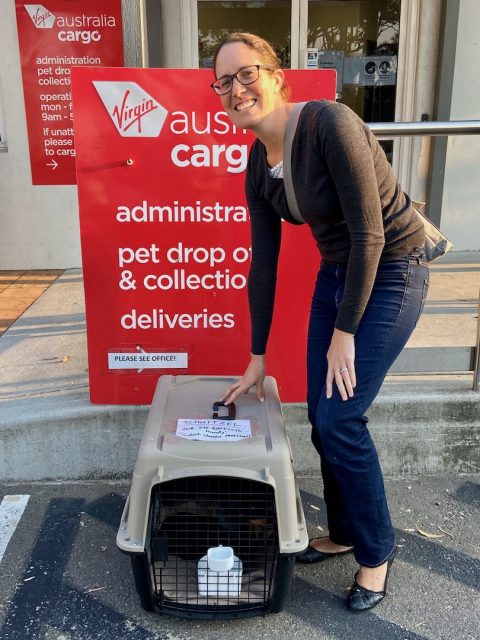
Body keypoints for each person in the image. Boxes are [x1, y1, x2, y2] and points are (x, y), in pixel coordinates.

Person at [212, 32, 429, 612]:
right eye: (224, 81)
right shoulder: (258, 164)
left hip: (393, 269)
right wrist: (257, 356)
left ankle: (377, 553)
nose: (237, 89)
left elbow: (371, 235)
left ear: (277, 76)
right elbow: (264, 266)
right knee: (320, 412)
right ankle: (343, 531)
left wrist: (345, 334)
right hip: (342, 274)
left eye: (247, 73)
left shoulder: (329, 124)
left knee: (340, 415)